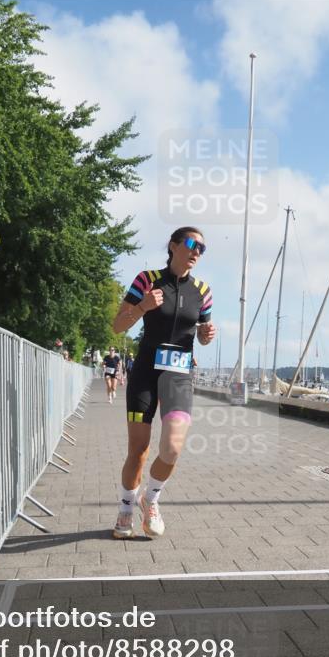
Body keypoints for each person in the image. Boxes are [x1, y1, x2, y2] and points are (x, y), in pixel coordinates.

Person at [110, 226, 215, 539]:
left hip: (178, 375)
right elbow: (117, 326)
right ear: (173, 245)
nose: (197, 251)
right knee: (139, 450)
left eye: (202, 248)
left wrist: (205, 336)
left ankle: (150, 499)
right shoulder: (146, 280)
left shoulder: (203, 291)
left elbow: (202, 334)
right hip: (144, 372)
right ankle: (127, 506)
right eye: (192, 244)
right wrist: (142, 306)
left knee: (171, 448)